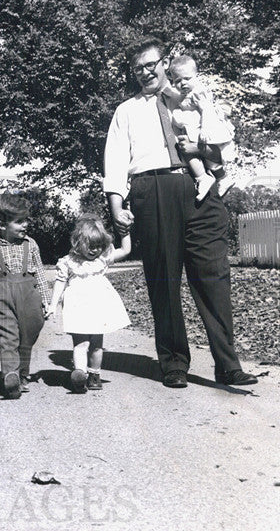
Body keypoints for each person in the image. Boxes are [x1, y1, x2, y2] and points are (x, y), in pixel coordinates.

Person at [103, 36, 257, 388]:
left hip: (199, 187)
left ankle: (228, 364)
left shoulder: (193, 99)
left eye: (151, 65)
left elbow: (221, 142)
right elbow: (114, 162)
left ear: (165, 63)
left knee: (213, 277)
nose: (145, 73)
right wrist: (117, 207)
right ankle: (173, 363)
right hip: (152, 189)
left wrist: (209, 155)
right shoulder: (126, 111)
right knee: (164, 280)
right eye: (137, 69)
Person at [47, 215, 132, 393]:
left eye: (98, 246)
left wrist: (125, 232)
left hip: (99, 305)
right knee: (81, 343)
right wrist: (52, 305)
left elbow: (125, 250)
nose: (94, 250)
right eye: (90, 246)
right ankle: (80, 375)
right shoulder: (68, 262)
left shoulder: (103, 258)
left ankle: (94, 374)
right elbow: (60, 283)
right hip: (77, 306)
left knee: (96, 344)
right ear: (78, 243)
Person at [0, 193, 50, 400]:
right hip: (2, 296)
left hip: (30, 295)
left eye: (26, 220)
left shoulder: (31, 244)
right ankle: (10, 375)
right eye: (19, 222)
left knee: (27, 336)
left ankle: (23, 373)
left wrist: (46, 300)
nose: (25, 225)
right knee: (8, 337)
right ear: (2, 225)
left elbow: (40, 274)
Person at [163, 54, 237, 200]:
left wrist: (205, 129)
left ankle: (208, 178)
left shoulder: (199, 92)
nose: (183, 83)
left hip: (206, 126)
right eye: (178, 81)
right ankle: (215, 178)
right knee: (189, 149)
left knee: (192, 149)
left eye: (187, 79)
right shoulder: (186, 93)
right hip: (196, 127)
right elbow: (182, 101)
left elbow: (207, 109)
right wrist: (169, 92)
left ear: (196, 76)